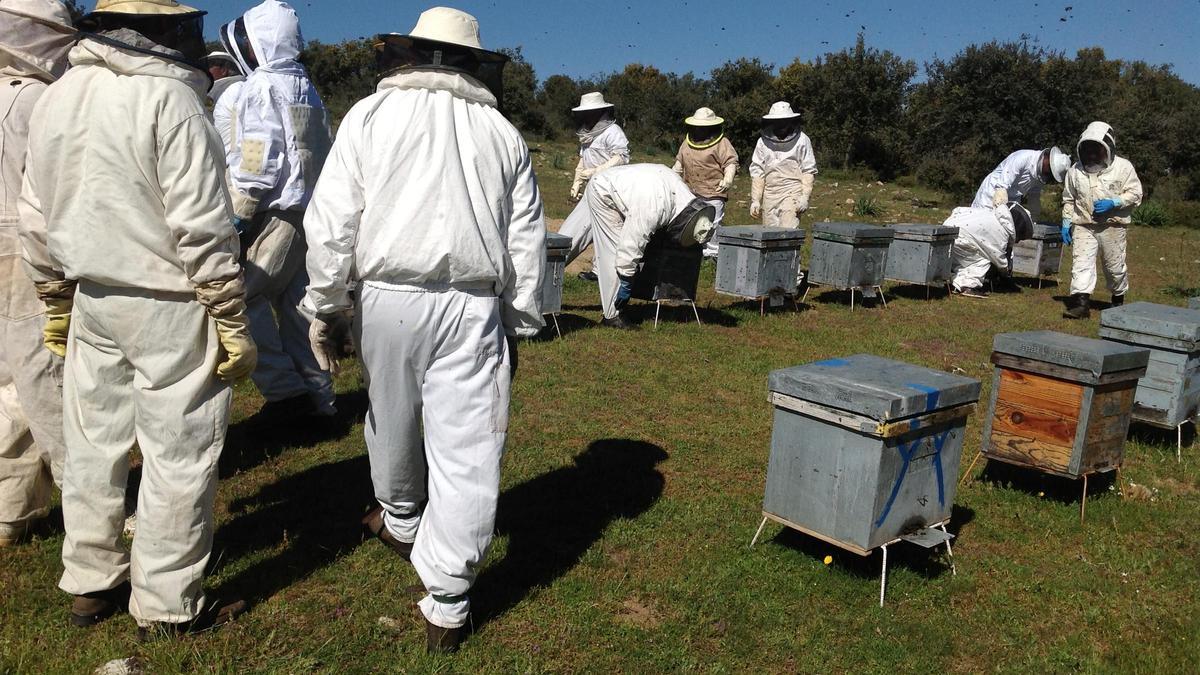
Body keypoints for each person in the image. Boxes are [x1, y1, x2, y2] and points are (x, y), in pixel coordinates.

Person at [302, 7, 545, 653]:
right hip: (472, 305)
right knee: (469, 450)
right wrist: (518, 320)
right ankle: (447, 600)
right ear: (471, 61)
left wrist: (326, 302)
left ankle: (403, 519)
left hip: (386, 298)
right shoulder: (502, 132)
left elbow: (331, 220)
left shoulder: (369, 116)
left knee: (390, 415)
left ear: (410, 53)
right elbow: (526, 239)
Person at [18, 0, 255, 637]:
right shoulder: (172, 101)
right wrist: (229, 314)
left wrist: (54, 298)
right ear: (165, 29)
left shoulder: (59, 94)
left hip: (92, 295)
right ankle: (167, 604)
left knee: (95, 447)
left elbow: (35, 212)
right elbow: (203, 226)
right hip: (169, 304)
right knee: (177, 453)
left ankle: (91, 581)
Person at [220, 0, 336, 418]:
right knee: (299, 310)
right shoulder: (306, 83)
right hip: (310, 214)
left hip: (276, 215)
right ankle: (321, 401)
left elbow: (257, 157)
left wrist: (242, 212)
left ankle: (288, 398)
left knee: (242, 299)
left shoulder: (261, 85)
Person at [0, 0, 74, 548]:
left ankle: (11, 509)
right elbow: (55, 192)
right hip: (27, 254)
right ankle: (88, 506)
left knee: (8, 383)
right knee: (52, 381)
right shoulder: (38, 100)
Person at [566, 163, 715, 329]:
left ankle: (538, 278)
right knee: (613, 252)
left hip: (606, 181)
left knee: (564, 243)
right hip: (607, 194)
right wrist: (626, 279)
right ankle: (613, 315)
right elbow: (630, 244)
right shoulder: (655, 208)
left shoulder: (683, 195)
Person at [1061, 121, 1142, 319]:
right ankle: (1081, 305)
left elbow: (1136, 193)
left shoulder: (1124, 167)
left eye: (1096, 150)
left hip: (1112, 226)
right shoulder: (1075, 171)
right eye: (1088, 150)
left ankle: (1117, 300)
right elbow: (1068, 198)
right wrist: (1066, 222)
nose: (1092, 155)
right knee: (1081, 264)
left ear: (1107, 148)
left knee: (1114, 267)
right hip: (1084, 225)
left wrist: (1115, 202)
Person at [560, 91, 629, 282]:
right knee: (575, 230)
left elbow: (621, 158)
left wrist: (597, 170)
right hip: (592, 189)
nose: (585, 116)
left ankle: (601, 272)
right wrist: (577, 181)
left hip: (610, 192)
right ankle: (552, 266)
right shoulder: (587, 134)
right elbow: (584, 160)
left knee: (603, 232)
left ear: (599, 111)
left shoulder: (613, 132)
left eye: (589, 112)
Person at [673, 107, 738, 258]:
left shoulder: (722, 143)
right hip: (690, 191)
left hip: (713, 191)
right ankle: (694, 251)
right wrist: (672, 178)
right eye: (697, 127)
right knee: (692, 221)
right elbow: (679, 163)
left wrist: (728, 179)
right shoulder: (687, 143)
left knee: (712, 223)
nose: (699, 130)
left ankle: (713, 254)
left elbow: (730, 163)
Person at [749, 101, 816, 229]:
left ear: (790, 121)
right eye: (778, 122)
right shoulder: (762, 142)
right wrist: (756, 200)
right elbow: (758, 171)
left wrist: (805, 197)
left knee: (788, 232)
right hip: (770, 193)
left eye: (784, 121)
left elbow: (808, 169)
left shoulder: (802, 140)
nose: (781, 125)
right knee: (769, 234)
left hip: (792, 191)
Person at [947, 203, 1033, 298]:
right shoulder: (1001, 233)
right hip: (960, 239)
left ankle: (951, 280)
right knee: (983, 260)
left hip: (947, 231)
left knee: (971, 254)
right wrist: (1005, 274)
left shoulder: (990, 214)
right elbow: (998, 259)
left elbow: (958, 210)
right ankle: (966, 287)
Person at [971, 147, 1070, 221]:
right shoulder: (1022, 158)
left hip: (1012, 200)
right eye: (1049, 170)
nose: (1048, 173)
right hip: (991, 194)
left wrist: (1034, 217)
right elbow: (1001, 188)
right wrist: (1000, 212)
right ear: (1047, 160)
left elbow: (1034, 195)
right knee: (979, 225)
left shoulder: (1041, 174)